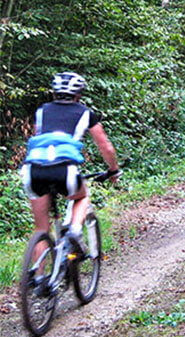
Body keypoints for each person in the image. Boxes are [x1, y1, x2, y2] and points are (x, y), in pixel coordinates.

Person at [21, 72, 120, 254]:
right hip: (64, 169)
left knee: (41, 229)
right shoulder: (85, 113)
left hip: (33, 169)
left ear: (54, 93)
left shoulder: (42, 111)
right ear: (78, 95)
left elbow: (38, 136)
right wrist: (113, 170)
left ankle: (37, 279)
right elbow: (105, 146)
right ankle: (75, 231)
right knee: (82, 196)